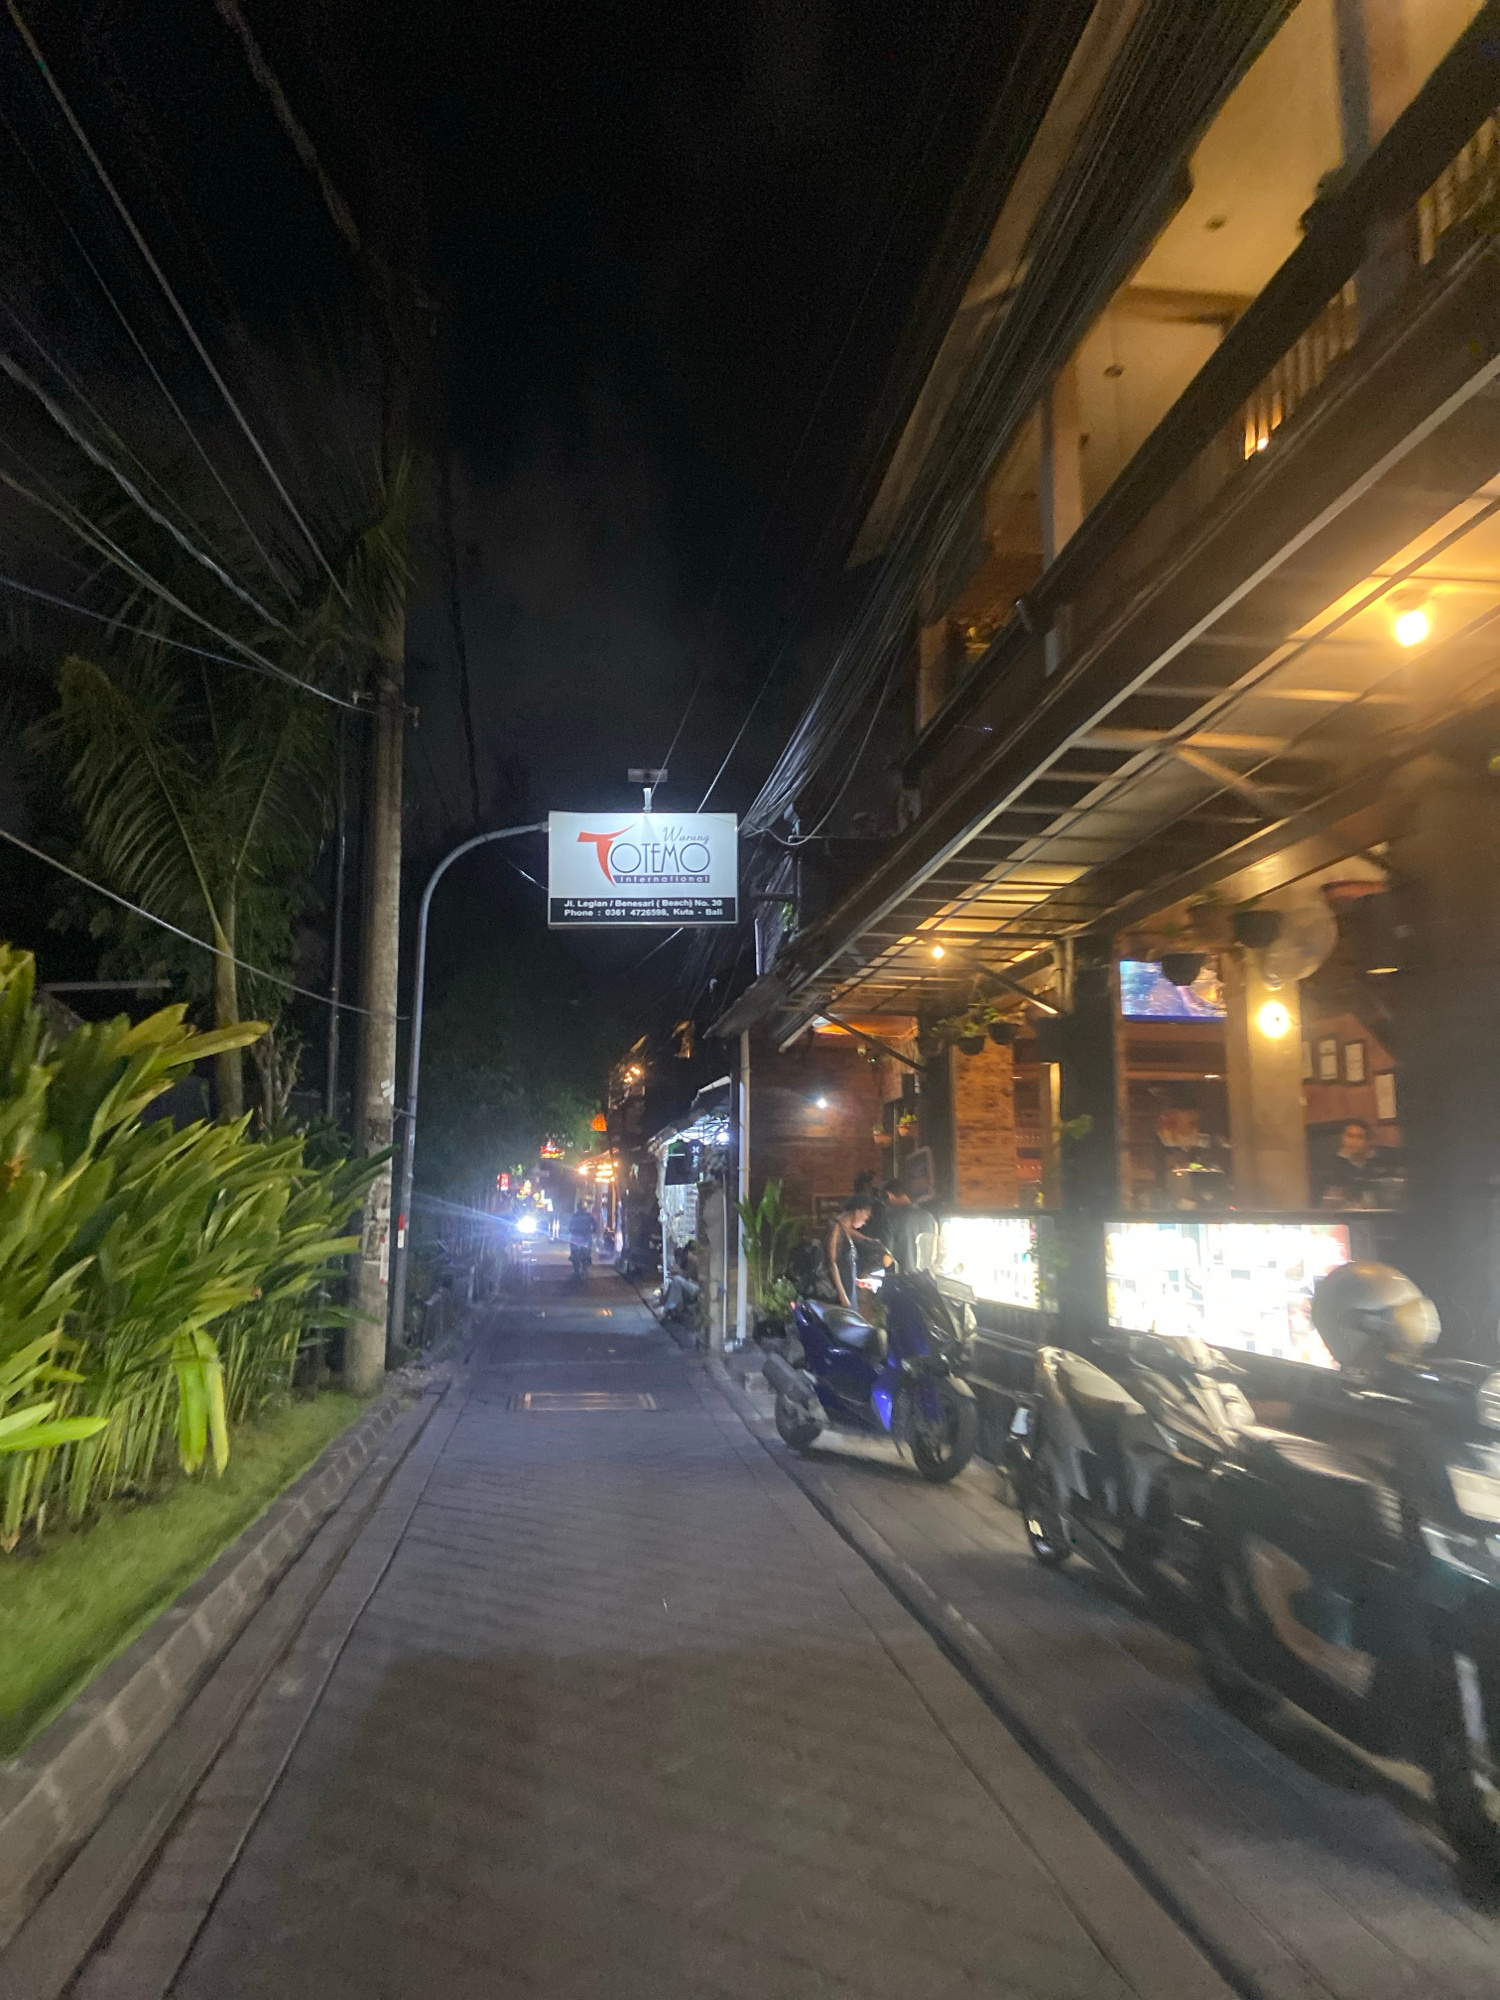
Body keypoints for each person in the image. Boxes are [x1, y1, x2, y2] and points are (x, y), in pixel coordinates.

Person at [1317, 1120, 1389, 1207]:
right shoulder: (1330, 1165)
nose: (1354, 1141)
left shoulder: (1377, 1165)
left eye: (1360, 1137)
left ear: (1367, 1141)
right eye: (1349, 1136)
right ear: (1343, 1139)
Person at [823, 1197, 874, 1309]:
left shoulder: (843, 1229)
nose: (865, 1221)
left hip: (849, 1290)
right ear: (858, 1211)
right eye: (866, 1215)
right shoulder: (836, 1228)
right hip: (842, 1295)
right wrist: (843, 1296)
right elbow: (832, 1263)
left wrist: (855, 1280)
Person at [877, 1177, 936, 1274]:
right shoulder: (929, 1217)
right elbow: (934, 1254)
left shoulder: (891, 1219)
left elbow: (886, 1260)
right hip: (926, 1280)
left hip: (901, 1280)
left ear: (889, 1196)